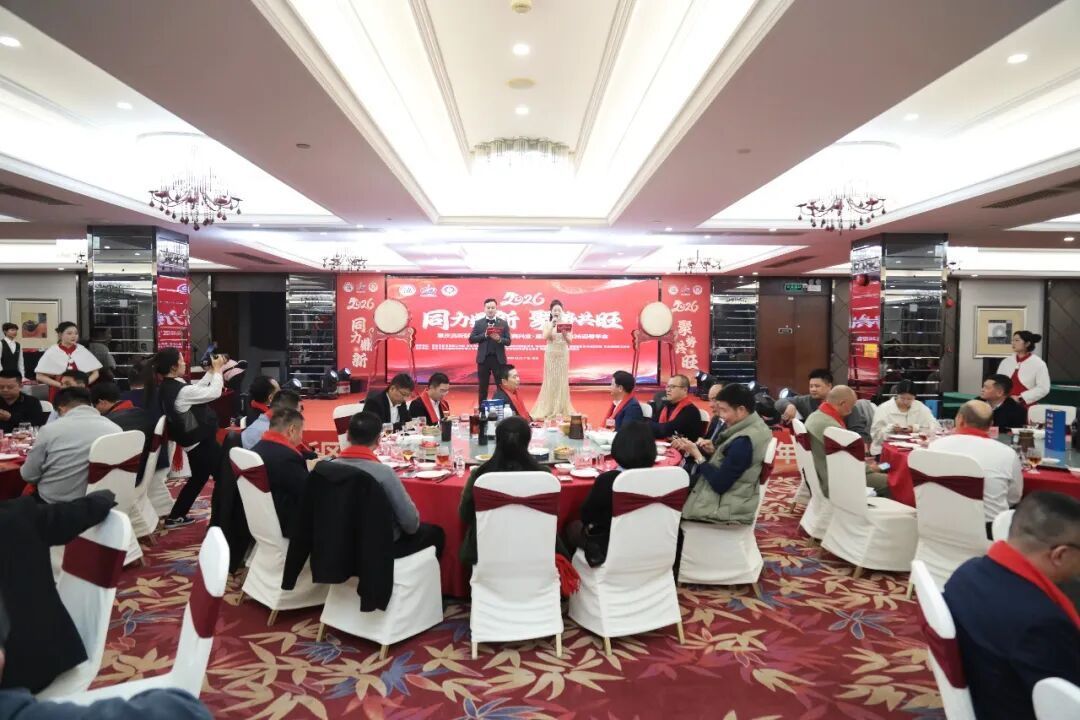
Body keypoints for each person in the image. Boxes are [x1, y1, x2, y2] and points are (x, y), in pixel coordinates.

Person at [944, 492, 1080, 720]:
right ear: (1060, 555)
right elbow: (1068, 702)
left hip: (988, 691)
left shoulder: (966, 574)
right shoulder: (1043, 622)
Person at [0, 490, 118, 694]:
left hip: (17, 678)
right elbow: (75, 514)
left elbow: (29, 475)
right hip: (40, 660)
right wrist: (104, 496)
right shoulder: (19, 515)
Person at [334, 411, 444, 558]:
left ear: (348, 436)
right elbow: (411, 524)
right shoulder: (383, 473)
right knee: (436, 533)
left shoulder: (327, 469)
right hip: (382, 546)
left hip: (339, 542)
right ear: (379, 440)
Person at [459, 415, 554, 566]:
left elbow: (465, 515)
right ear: (528, 440)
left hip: (485, 551)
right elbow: (553, 516)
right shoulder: (544, 476)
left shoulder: (481, 475)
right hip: (536, 551)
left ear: (497, 440)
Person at [146, 348, 226, 528]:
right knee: (224, 476)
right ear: (173, 367)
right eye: (182, 360)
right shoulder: (179, 390)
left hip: (193, 439)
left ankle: (176, 516)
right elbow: (213, 393)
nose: (185, 363)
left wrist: (211, 372)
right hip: (201, 442)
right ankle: (222, 519)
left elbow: (196, 390)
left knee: (198, 478)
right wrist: (218, 370)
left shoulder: (168, 386)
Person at [674, 383, 772, 525]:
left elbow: (719, 484)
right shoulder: (757, 426)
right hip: (738, 494)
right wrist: (714, 452)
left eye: (724, 411)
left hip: (725, 506)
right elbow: (736, 464)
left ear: (741, 410)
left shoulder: (744, 440)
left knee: (671, 490)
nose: (721, 415)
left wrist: (698, 456)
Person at [566, 419, 656, 566]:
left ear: (618, 446)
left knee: (572, 527)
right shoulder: (659, 478)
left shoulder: (608, 480)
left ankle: (570, 572)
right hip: (651, 542)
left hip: (609, 544)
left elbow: (587, 515)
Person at [930, 400, 1023, 532]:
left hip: (938, 526)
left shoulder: (936, 446)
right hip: (989, 531)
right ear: (991, 425)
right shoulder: (1007, 453)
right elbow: (1014, 497)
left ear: (960, 420)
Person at [20, 387, 121, 503]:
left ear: (61, 408)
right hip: (104, 500)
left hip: (57, 503)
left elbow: (29, 476)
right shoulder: (115, 428)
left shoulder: (50, 430)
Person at [804, 385, 889, 497]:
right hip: (835, 480)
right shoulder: (831, 428)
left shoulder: (816, 416)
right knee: (894, 482)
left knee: (885, 470)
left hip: (823, 472)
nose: (852, 410)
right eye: (852, 405)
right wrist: (870, 469)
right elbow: (850, 460)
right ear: (843, 403)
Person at [251, 408, 309, 539]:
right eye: (301, 432)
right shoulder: (287, 458)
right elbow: (307, 493)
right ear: (292, 430)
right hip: (284, 523)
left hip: (260, 516)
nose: (301, 437)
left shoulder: (257, 448)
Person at [777, 368, 873, 442]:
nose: (813, 389)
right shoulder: (805, 400)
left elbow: (860, 433)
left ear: (829, 386)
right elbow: (779, 402)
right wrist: (789, 406)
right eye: (811, 386)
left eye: (817, 386)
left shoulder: (846, 404)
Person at [530, 299, 576, 418]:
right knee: (550, 380)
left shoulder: (567, 324)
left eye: (559, 310)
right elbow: (545, 337)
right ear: (551, 312)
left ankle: (560, 408)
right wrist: (552, 325)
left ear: (562, 311)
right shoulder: (547, 324)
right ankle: (549, 407)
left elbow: (570, 341)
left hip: (563, 354)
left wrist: (565, 334)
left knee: (561, 380)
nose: (557, 312)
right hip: (551, 354)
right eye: (555, 310)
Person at [869, 379, 940, 454]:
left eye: (909, 399)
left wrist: (915, 428)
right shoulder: (884, 408)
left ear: (915, 397)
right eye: (902, 398)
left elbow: (935, 428)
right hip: (884, 451)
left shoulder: (920, 407)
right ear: (897, 394)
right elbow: (875, 436)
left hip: (915, 450)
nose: (905, 402)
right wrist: (890, 429)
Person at [33, 322, 101, 399]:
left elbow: (96, 373)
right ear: (60, 335)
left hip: (80, 390)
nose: (74, 336)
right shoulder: (52, 351)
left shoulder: (82, 350)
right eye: (69, 333)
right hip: (59, 390)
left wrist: (83, 384)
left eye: (76, 333)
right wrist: (61, 385)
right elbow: (39, 376)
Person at [468, 298, 512, 406]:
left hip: (498, 359)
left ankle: (502, 408)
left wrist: (499, 339)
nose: (490, 310)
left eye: (493, 307)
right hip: (483, 360)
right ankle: (482, 410)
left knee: (501, 386)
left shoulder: (503, 323)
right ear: (484, 309)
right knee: (483, 387)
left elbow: (508, 341)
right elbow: (471, 339)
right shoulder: (479, 323)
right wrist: (484, 335)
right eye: (488, 308)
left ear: (496, 309)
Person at [996, 330, 1051, 408]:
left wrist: (1021, 398)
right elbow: (997, 382)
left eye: (1017, 340)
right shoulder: (1006, 361)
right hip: (1004, 403)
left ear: (1027, 343)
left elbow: (1043, 388)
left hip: (1026, 404)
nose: (1013, 343)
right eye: (1013, 340)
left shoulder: (1038, 363)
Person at [682, 382, 726, 474]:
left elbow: (724, 463)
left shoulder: (736, 427)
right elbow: (706, 445)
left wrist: (700, 453)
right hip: (702, 466)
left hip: (710, 473)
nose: (710, 405)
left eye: (715, 399)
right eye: (710, 400)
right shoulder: (716, 419)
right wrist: (689, 446)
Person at [650, 374, 702, 441]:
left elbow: (666, 430)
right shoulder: (666, 406)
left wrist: (648, 426)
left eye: (672, 387)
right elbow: (652, 424)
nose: (668, 390)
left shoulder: (691, 411)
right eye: (667, 386)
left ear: (684, 390)